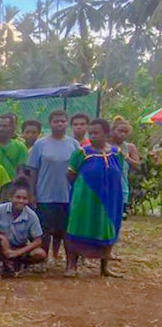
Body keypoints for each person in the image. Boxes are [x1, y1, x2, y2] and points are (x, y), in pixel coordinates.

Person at [64, 119, 125, 278]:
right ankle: (72, 265)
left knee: (107, 227)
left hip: (110, 199)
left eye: (96, 133)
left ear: (106, 133)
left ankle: (104, 267)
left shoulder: (116, 153)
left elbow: (119, 175)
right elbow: (71, 175)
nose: (92, 136)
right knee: (78, 226)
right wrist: (83, 190)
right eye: (90, 133)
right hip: (85, 199)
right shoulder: (81, 153)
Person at [26, 111, 80, 263]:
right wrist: (32, 192)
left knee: (64, 230)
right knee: (45, 230)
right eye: (56, 121)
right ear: (50, 124)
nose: (60, 124)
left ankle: (61, 259)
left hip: (67, 194)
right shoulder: (40, 144)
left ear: (67, 123)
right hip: (45, 194)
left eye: (63, 121)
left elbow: (78, 169)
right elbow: (33, 170)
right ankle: (42, 259)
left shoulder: (73, 144)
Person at [0, 178, 46, 277]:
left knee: (40, 253)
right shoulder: (0, 209)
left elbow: (38, 241)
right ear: (10, 198)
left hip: (19, 247)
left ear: (28, 200)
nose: (21, 201)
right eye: (18, 197)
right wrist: (1, 237)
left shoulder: (31, 215)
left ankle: (18, 265)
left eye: (24, 198)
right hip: (0, 246)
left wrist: (17, 252)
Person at [111, 118, 141, 217]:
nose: (123, 134)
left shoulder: (129, 147)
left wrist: (126, 157)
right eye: (120, 131)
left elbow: (137, 165)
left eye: (126, 132)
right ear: (113, 130)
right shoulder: (106, 146)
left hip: (122, 187)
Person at [0, 114, 28, 181]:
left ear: (13, 128)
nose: (1, 129)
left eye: (5, 126)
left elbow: (21, 169)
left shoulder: (20, 146)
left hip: (12, 185)